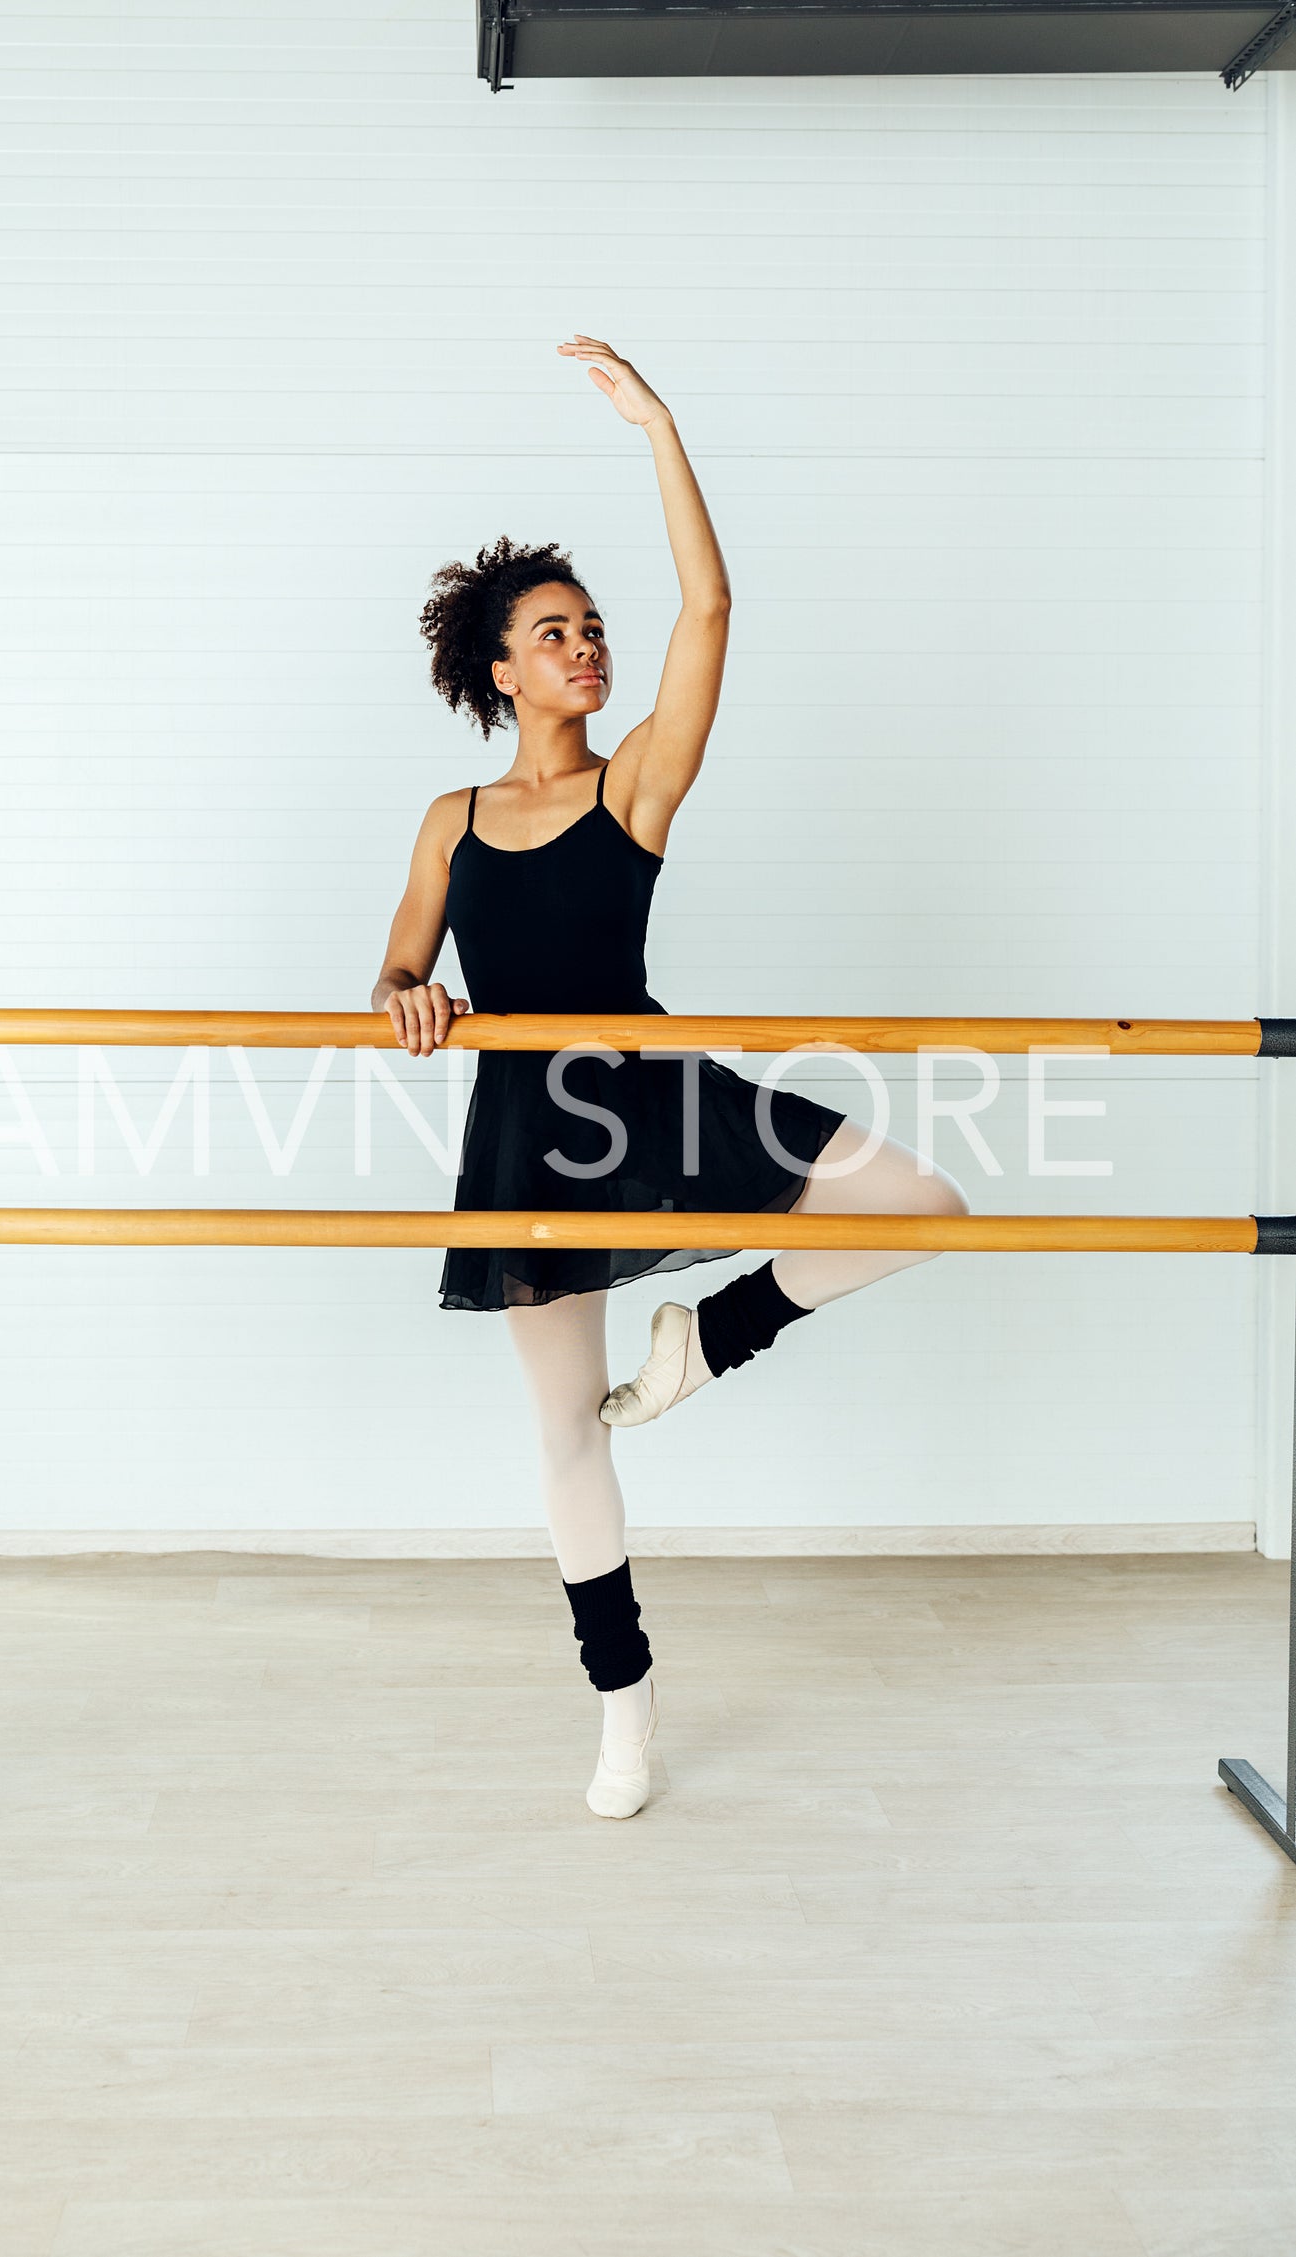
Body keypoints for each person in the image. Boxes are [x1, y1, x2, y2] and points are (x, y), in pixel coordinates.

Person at [371, 336, 968, 1820]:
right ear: (500, 669)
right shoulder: (448, 817)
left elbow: (709, 603)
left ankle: (714, 1329)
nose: (585, 645)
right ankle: (622, 1704)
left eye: (590, 626)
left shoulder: (631, 783)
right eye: (553, 633)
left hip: (645, 1079)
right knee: (566, 1427)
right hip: (528, 1123)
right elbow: (390, 970)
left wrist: (659, 426)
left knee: (920, 1199)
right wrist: (409, 997)